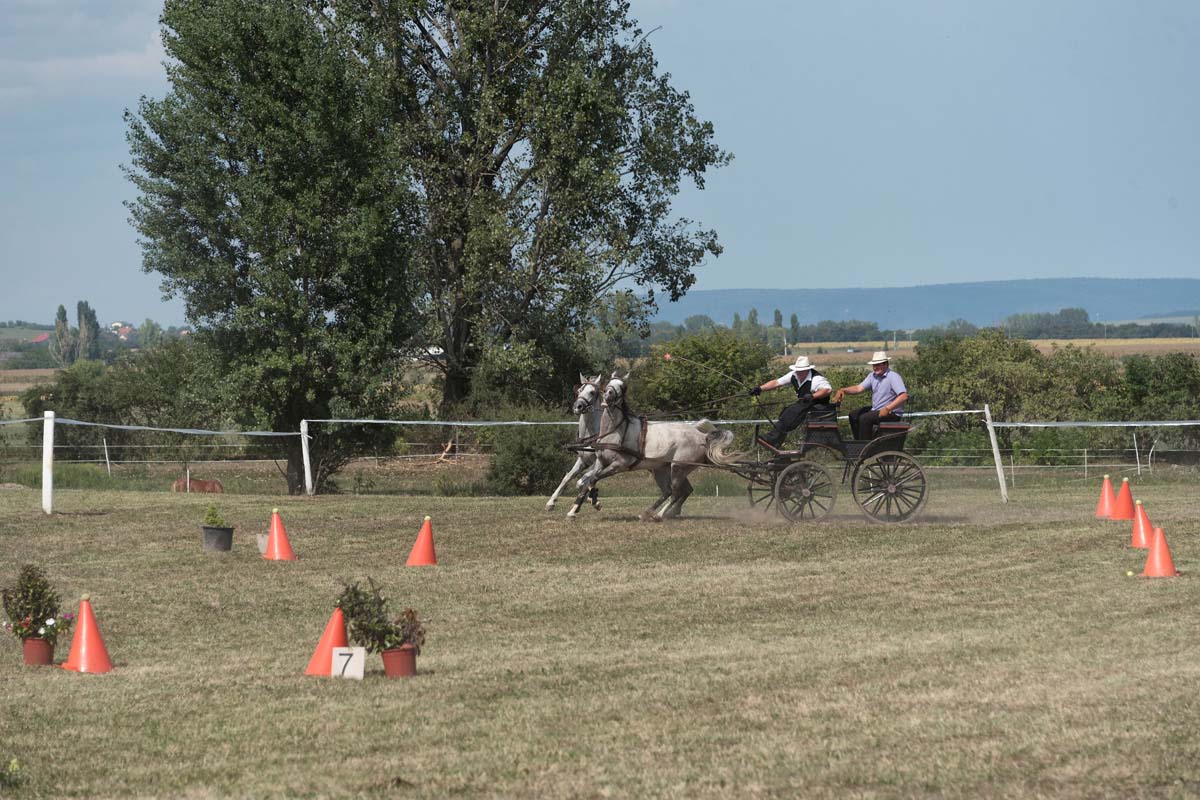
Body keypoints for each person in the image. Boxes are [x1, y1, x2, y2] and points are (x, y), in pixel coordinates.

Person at [748, 355, 833, 449]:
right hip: (804, 404)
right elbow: (777, 382)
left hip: (818, 406)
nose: (799, 373)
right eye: (798, 371)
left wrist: (813, 396)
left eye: (801, 371)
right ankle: (776, 443)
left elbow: (827, 390)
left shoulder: (816, 379)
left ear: (807, 370)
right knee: (786, 412)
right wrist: (760, 388)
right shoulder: (794, 375)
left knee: (792, 411)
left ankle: (771, 438)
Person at [832, 351, 908, 440]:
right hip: (877, 410)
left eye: (878, 365)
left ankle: (865, 447)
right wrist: (843, 390)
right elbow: (858, 388)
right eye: (874, 365)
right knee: (853, 415)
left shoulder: (893, 377)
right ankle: (858, 442)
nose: (875, 367)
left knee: (865, 419)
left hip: (892, 413)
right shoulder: (872, 376)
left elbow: (903, 396)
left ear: (885, 364)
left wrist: (888, 409)